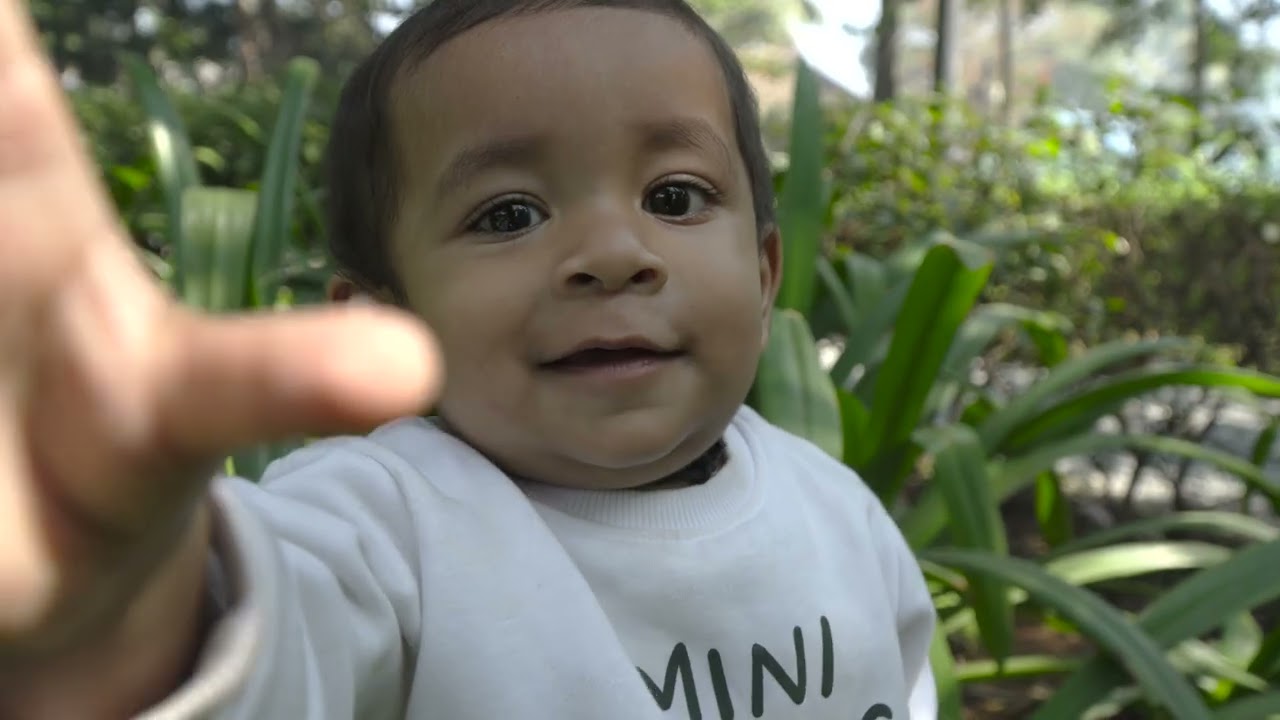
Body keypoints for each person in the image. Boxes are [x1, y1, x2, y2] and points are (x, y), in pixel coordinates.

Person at [0, 0, 939, 718]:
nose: (616, 252)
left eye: (677, 195)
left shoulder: (839, 513)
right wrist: (131, 606)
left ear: (765, 271)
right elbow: (267, 647)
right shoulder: (381, 525)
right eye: (509, 215)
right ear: (381, 316)